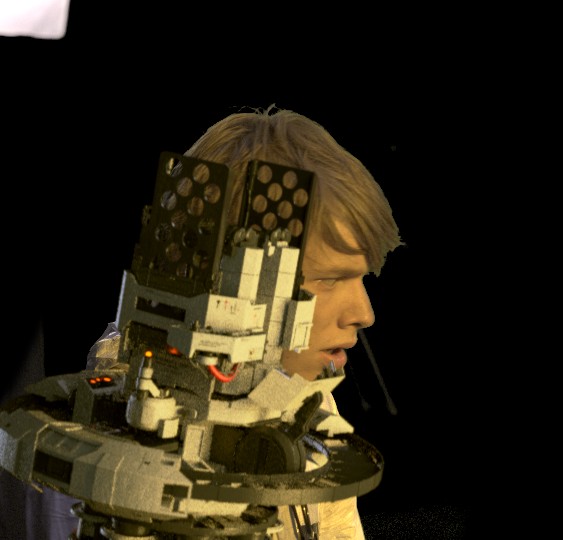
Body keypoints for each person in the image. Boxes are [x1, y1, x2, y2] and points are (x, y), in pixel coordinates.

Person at [25, 105, 403, 539]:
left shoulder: (299, 402)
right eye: (328, 280)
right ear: (226, 281)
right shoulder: (112, 439)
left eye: (360, 278)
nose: (363, 312)